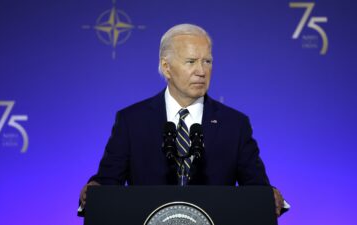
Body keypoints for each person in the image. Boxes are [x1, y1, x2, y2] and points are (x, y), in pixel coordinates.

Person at [79, 24, 288, 216]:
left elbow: (257, 189)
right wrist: (94, 191)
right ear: (166, 67)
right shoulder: (132, 121)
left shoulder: (235, 124)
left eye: (207, 61)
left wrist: (270, 195)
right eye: (191, 61)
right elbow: (107, 184)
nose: (201, 71)